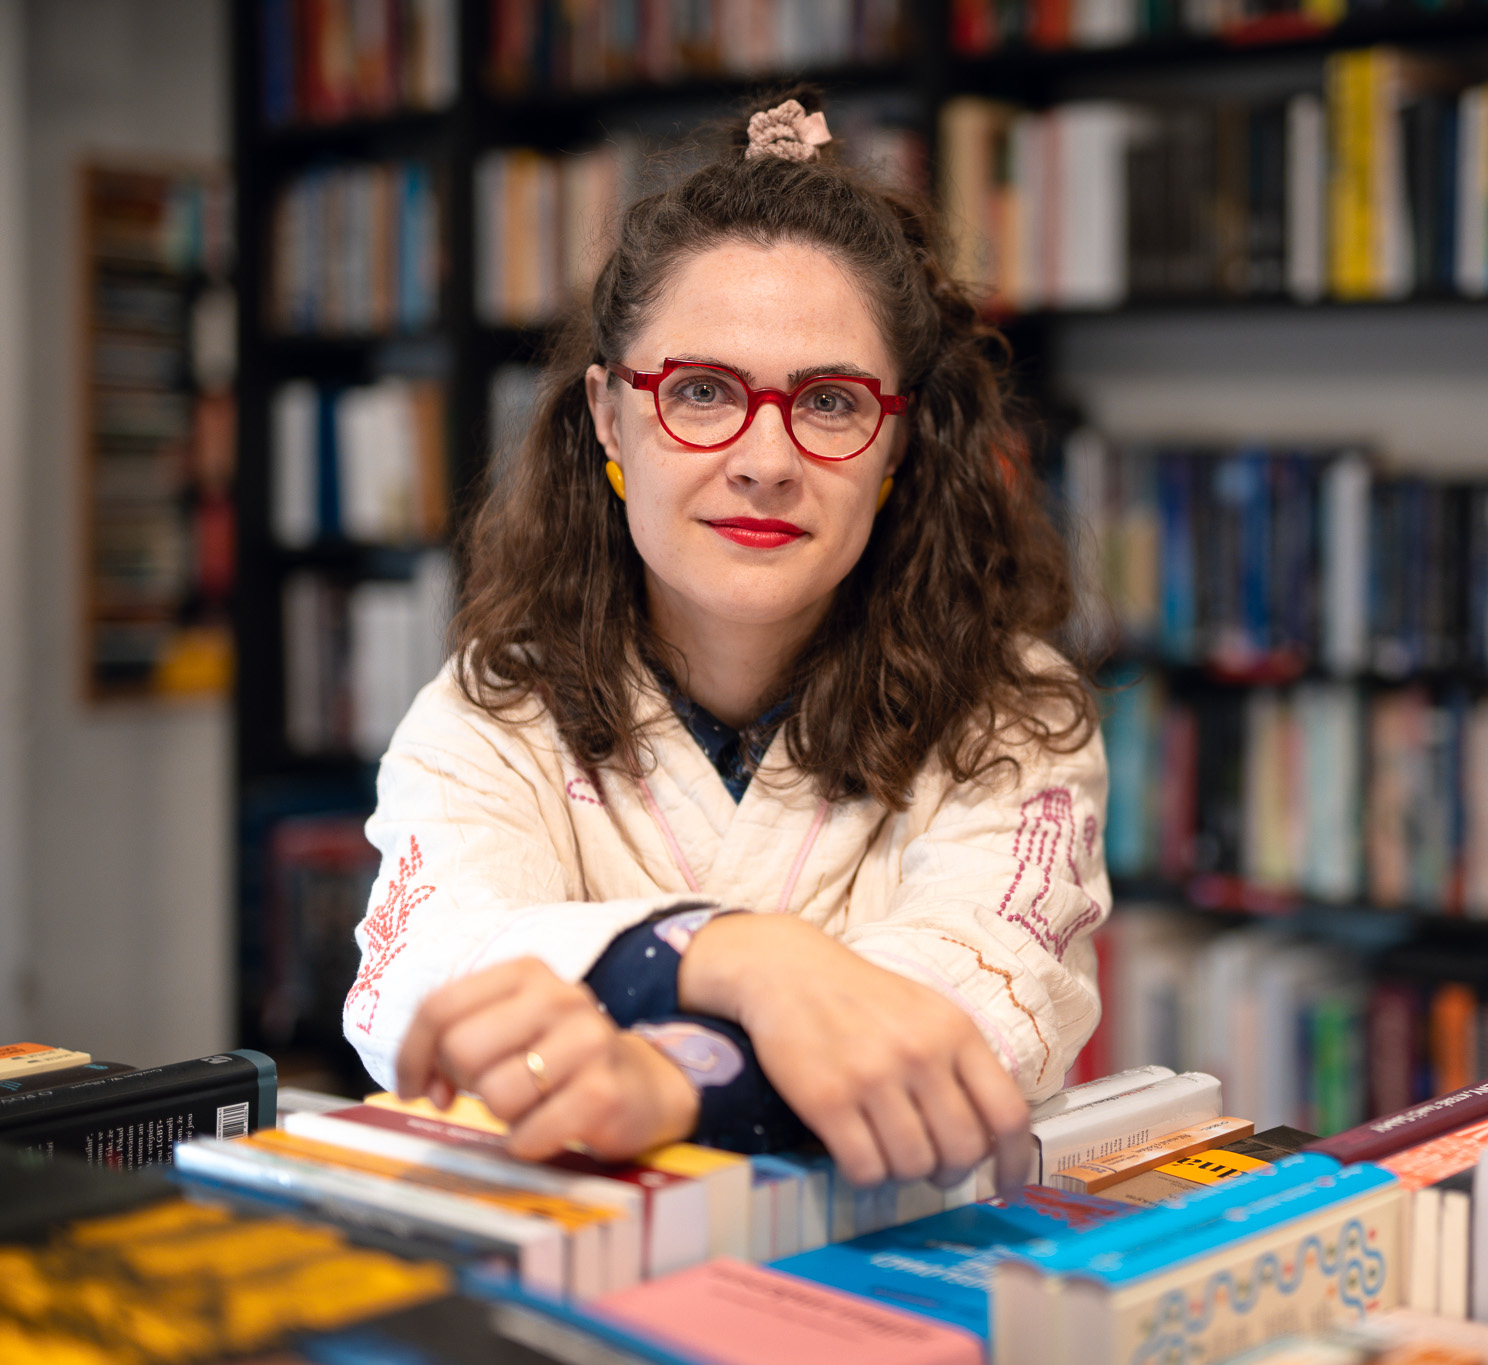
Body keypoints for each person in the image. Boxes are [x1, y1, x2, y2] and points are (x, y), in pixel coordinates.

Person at [341, 96, 1108, 1190]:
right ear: (610, 417)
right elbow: (417, 985)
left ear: (896, 441)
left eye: (830, 402)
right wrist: (732, 955)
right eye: (701, 392)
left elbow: (974, 1013)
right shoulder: (494, 708)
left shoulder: (1011, 713)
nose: (765, 460)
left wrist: (673, 1077)